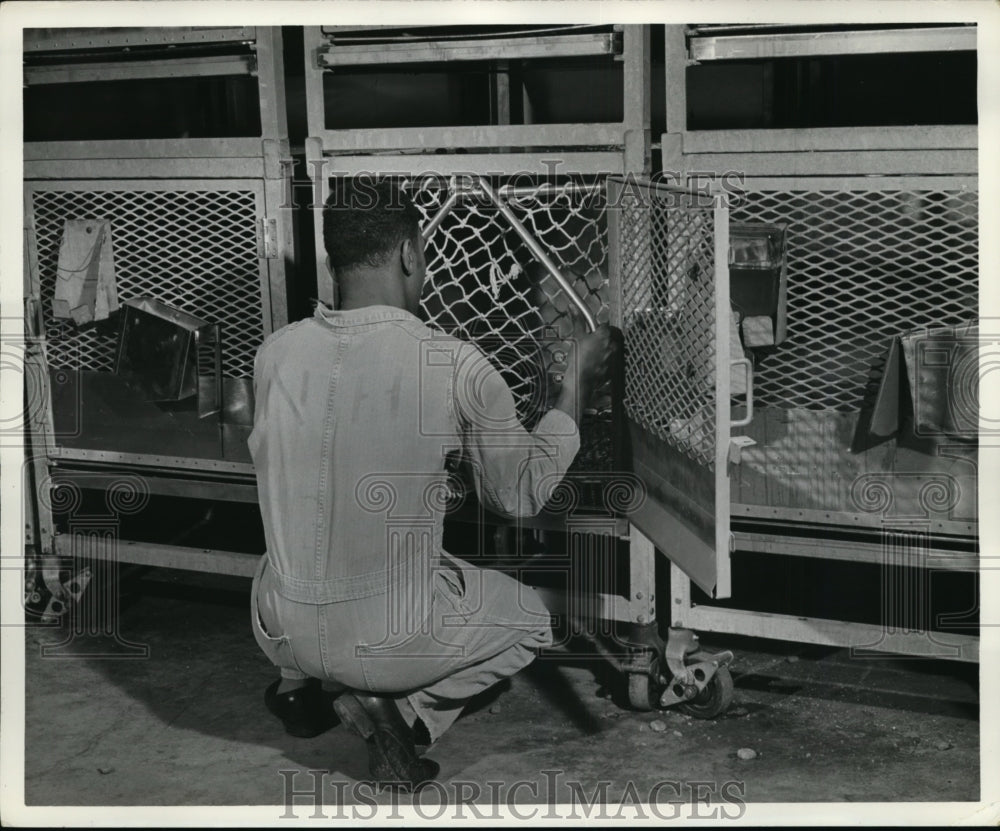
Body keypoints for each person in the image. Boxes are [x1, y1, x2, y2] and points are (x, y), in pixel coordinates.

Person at [248, 177, 615, 790]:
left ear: (333, 263)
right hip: (383, 641)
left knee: (312, 532)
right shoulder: (453, 362)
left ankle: (300, 691)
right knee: (533, 617)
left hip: (277, 625)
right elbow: (519, 494)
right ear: (409, 255)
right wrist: (574, 387)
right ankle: (399, 713)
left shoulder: (275, 353)